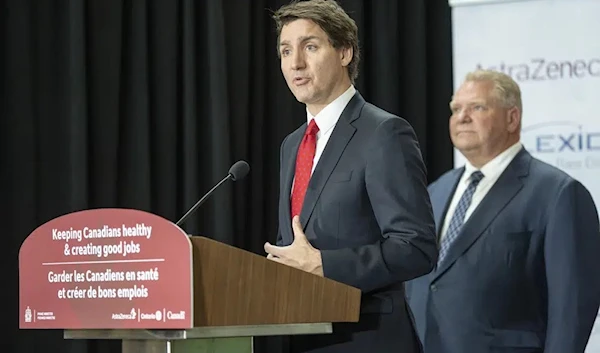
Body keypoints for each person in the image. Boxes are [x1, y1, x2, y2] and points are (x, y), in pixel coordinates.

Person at [262, 0, 438, 352]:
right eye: (285, 50)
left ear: (344, 52)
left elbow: (416, 247)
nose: (295, 63)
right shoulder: (292, 144)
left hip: (367, 338)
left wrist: (324, 264)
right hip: (302, 337)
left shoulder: (384, 133)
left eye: (310, 47)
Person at [405, 69, 600, 353]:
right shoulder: (436, 190)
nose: (462, 117)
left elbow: (572, 307)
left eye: (478, 107)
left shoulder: (559, 194)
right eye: (456, 109)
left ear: (512, 118)